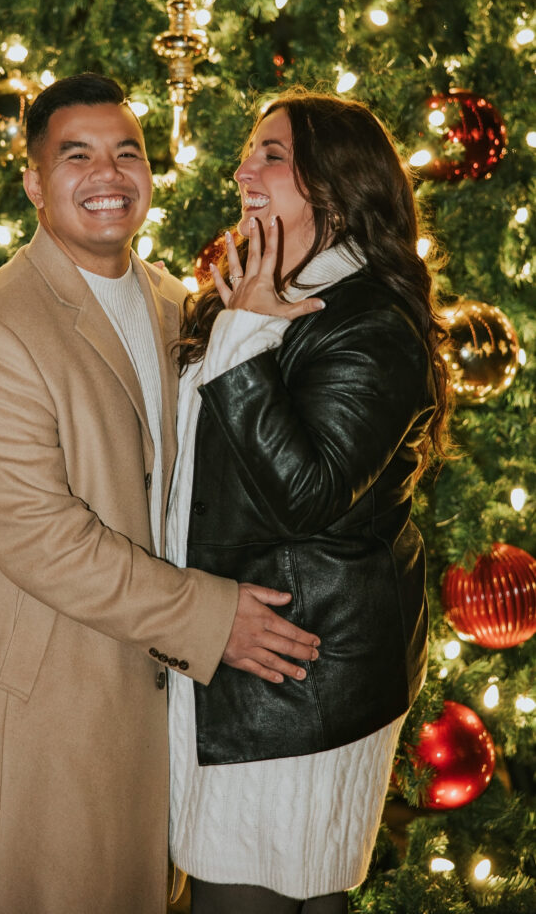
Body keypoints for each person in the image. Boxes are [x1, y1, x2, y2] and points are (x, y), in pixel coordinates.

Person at [0, 73, 322, 914]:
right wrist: (213, 617)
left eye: (125, 153)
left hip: (153, 705)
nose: (106, 174)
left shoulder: (174, 303)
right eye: (76, 156)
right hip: (46, 709)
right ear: (33, 180)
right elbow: (42, 537)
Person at [167, 88, 450, 913]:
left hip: (295, 683)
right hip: (243, 665)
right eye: (247, 152)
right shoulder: (258, 289)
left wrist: (246, 337)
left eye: (270, 154)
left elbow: (305, 496)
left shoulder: (369, 322)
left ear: (336, 182)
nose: (240, 170)